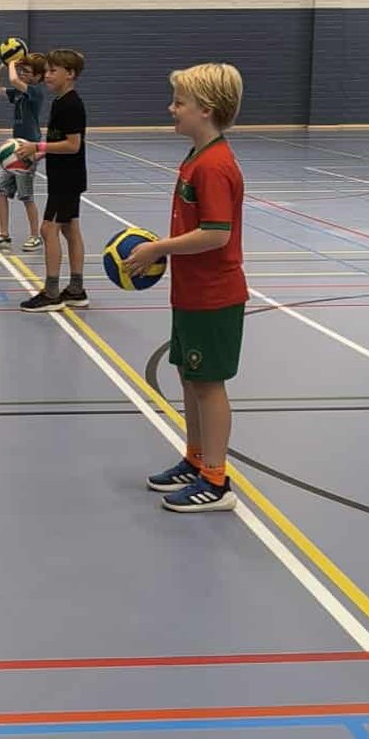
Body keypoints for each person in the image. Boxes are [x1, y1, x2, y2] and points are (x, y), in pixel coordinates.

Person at [129, 63, 247, 512]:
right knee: (190, 377)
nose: (171, 108)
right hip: (191, 292)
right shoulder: (196, 157)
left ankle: (216, 481)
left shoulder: (214, 166)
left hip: (215, 295)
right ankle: (196, 459)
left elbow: (216, 233)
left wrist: (158, 248)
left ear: (207, 109)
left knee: (209, 385)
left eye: (179, 102)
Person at [16, 49, 89, 311]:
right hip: (64, 176)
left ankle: (51, 293)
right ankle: (76, 290)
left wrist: (38, 146)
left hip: (67, 179)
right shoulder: (60, 101)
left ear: (70, 74)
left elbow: (73, 145)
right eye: (46, 71)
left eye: (52, 71)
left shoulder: (71, 104)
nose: (46, 75)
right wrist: (41, 153)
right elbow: (60, 141)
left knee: (48, 230)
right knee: (70, 229)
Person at [0, 53, 46, 251]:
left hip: (29, 149)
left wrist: (11, 63)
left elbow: (13, 80)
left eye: (26, 72)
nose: (22, 74)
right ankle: (4, 235)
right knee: (0, 191)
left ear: (38, 76)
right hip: (15, 150)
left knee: (26, 196)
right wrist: (1, 67)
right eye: (21, 71)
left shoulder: (35, 92)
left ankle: (35, 236)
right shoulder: (18, 92)